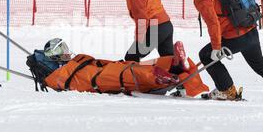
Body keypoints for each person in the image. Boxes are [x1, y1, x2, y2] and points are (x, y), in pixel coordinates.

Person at [27, 38, 207, 97]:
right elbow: (61, 80)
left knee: (130, 65)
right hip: (90, 77)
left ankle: (172, 64)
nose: (66, 53)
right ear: (53, 55)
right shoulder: (57, 75)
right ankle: (161, 75)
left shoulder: (68, 65)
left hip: (94, 68)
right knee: (123, 73)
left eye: (65, 48)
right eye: (61, 50)